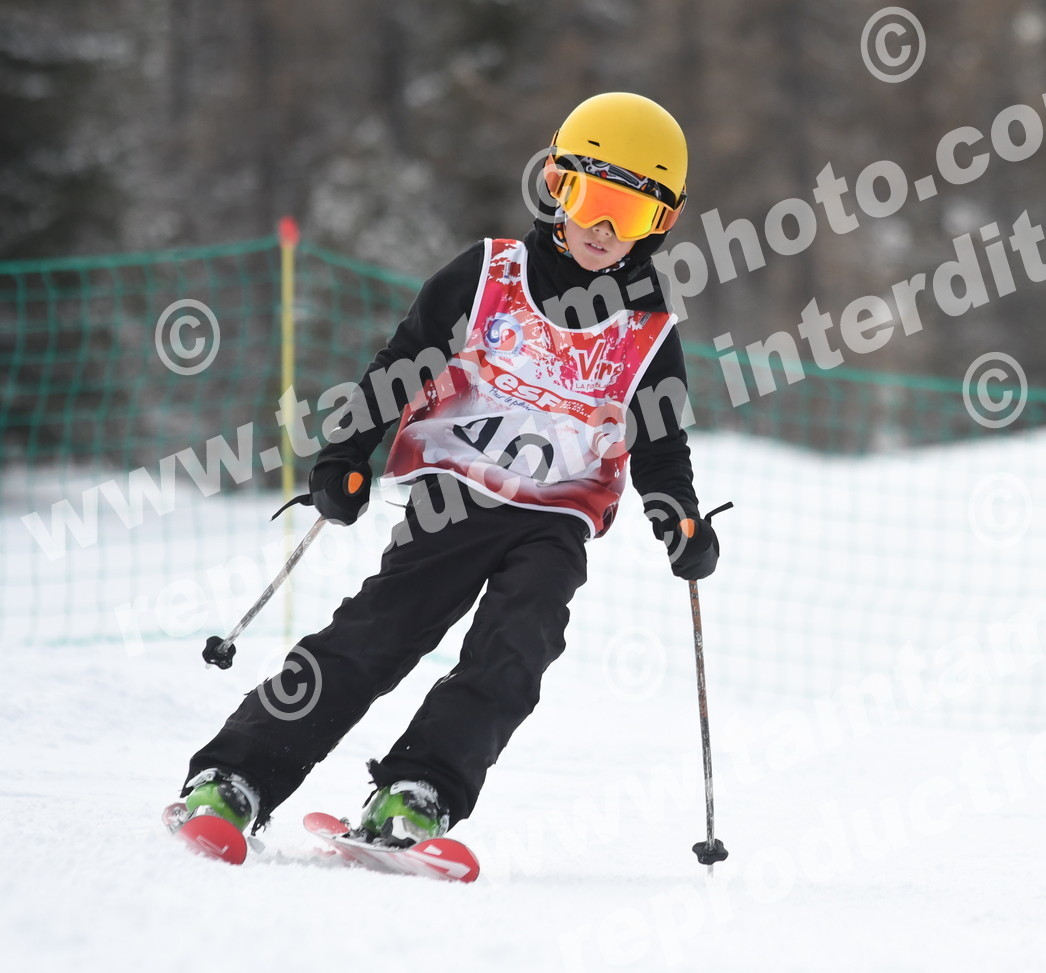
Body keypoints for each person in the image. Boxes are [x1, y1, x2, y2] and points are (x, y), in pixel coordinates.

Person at [172, 92, 719, 848]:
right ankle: (236, 776)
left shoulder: (647, 330)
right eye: (591, 198)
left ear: (662, 223)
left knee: (518, 647)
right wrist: (346, 454)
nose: (603, 228)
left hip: (557, 517)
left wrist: (679, 518)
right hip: (456, 495)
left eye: (631, 213)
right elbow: (402, 362)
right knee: (382, 632)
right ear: (557, 184)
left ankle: (419, 789)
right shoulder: (490, 274)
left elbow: (659, 442)